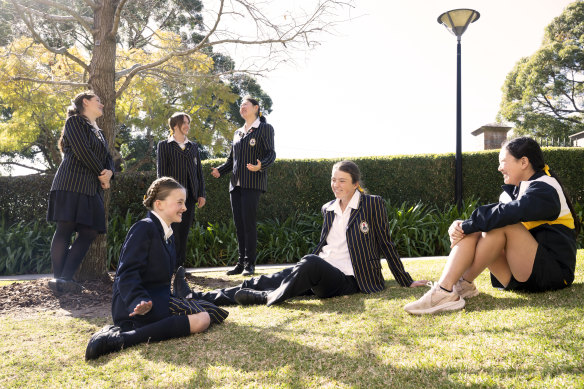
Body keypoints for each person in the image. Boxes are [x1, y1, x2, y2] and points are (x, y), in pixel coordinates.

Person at [173, 160, 426, 307]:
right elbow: (326, 243)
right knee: (262, 279)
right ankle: (195, 296)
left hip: (350, 278)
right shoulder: (328, 208)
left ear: (355, 184)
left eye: (342, 181)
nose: (336, 185)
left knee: (308, 263)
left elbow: (385, 242)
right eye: (333, 179)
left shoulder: (372, 204)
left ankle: (265, 299)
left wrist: (405, 280)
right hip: (320, 268)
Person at [404, 136, 581, 315]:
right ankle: (453, 288)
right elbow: (495, 217)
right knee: (480, 226)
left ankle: (448, 290)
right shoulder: (512, 193)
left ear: (524, 162)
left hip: (554, 275)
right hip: (517, 277)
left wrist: (469, 224)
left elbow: (512, 213)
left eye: (503, 161)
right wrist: (463, 226)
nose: (499, 168)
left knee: (500, 223)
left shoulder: (546, 187)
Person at [85, 177, 228, 360]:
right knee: (204, 318)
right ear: (159, 204)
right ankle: (122, 339)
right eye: (179, 202)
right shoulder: (144, 228)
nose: (184, 208)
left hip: (157, 299)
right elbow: (126, 273)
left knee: (214, 311)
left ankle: (139, 330)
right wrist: (139, 300)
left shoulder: (166, 233)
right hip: (136, 307)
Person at [46, 91, 114, 294]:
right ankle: (60, 281)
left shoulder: (99, 132)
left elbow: (108, 158)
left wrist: (109, 172)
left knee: (89, 231)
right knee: (65, 228)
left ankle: (65, 278)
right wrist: (102, 174)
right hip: (70, 183)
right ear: (86, 102)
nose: (102, 104)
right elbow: (83, 150)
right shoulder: (75, 122)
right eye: (98, 101)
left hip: (91, 188)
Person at [211, 96, 276, 276]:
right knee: (239, 225)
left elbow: (271, 153)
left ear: (256, 108)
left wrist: (260, 165)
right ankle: (240, 263)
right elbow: (231, 160)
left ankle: (250, 264)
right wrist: (220, 170)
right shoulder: (237, 132)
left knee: (249, 223)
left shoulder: (265, 129)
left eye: (245, 104)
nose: (242, 107)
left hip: (252, 183)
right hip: (235, 185)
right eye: (241, 105)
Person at [157, 112, 206, 269]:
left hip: (190, 197)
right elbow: (161, 173)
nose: (187, 126)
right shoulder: (164, 145)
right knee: (173, 231)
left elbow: (199, 173)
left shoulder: (193, 147)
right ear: (175, 126)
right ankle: (170, 265)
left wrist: (201, 194)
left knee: (184, 232)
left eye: (188, 123)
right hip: (172, 197)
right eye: (184, 122)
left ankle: (180, 267)